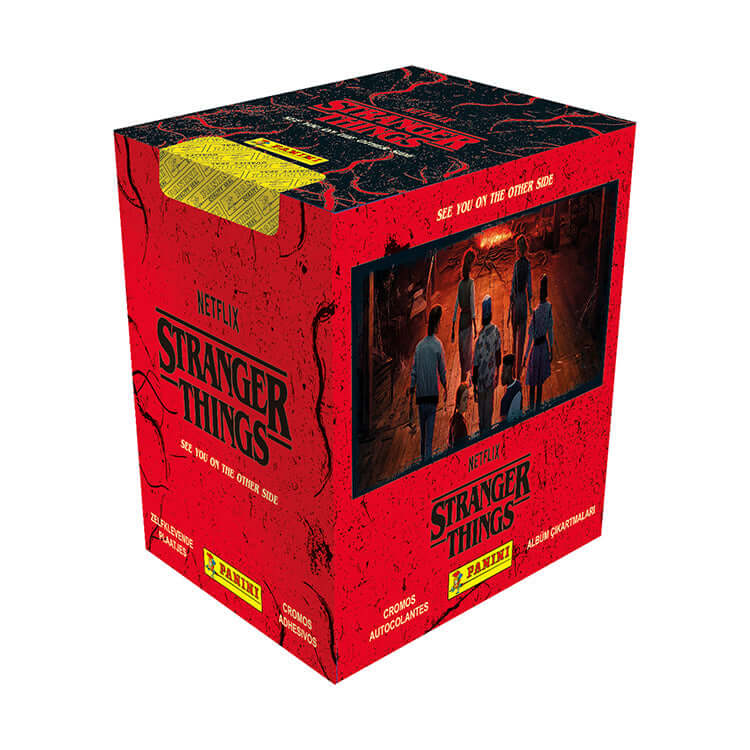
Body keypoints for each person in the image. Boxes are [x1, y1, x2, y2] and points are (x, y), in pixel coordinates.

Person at [410, 305, 447, 461]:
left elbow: (414, 371)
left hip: (421, 397)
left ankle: (422, 461)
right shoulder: (438, 345)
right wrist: (445, 386)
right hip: (432, 396)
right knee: (429, 442)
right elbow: (442, 371)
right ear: (437, 323)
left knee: (423, 437)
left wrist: (412, 388)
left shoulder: (419, 347)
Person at [472, 295, 502, 435]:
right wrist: (498, 372)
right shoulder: (495, 331)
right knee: (489, 409)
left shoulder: (479, 338)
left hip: (481, 380)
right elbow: (498, 353)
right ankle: (488, 433)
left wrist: (474, 386)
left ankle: (483, 431)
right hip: (490, 377)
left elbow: (475, 365)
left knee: (481, 412)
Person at [523, 275, 554, 409]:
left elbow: (530, 337)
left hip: (536, 349)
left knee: (532, 381)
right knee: (540, 381)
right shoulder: (549, 308)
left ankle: (531, 408)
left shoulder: (536, 313)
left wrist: (525, 356)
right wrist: (551, 348)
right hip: (544, 348)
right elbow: (550, 330)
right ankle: (537, 406)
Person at [507, 235, 532, 380]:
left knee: (514, 336)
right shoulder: (527, 265)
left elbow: (512, 286)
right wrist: (530, 305)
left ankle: (512, 368)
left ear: (517, 249)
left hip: (516, 302)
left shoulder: (516, 265)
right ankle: (518, 373)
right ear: (526, 248)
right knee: (522, 338)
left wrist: (511, 301)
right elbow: (529, 286)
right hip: (523, 300)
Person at [451, 250, 477, 382]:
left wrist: (453, 325)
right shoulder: (471, 283)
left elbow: (456, 306)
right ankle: (470, 376)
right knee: (468, 350)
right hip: (467, 321)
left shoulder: (460, 284)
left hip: (461, 321)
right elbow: (472, 305)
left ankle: (463, 376)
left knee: (462, 350)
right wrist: (475, 325)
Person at [499, 353, 523, 422]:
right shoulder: (518, 385)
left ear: (509, 368)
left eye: (503, 371)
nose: (501, 376)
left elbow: (503, 422)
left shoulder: (505, 400)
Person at [448, 383, 470, 449]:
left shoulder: (455, 418)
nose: (467, 402)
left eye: (468, 398)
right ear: (459, 401)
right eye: (464, 399)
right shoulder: (459, 424)